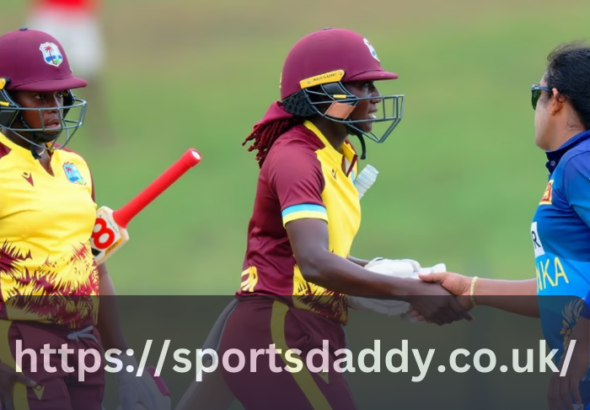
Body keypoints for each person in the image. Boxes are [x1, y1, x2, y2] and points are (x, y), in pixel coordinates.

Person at [208, 27, 472, 410]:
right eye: (364, 87)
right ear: (324, 93)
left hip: (304, 332)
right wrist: (407, 291)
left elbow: (318, 256)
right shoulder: (297, 158)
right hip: (279, 332)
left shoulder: (336, 154)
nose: (376, 99)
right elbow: (313, 262)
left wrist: (396, 276)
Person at [0, 28, 168, 410]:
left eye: (59, 95)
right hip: (20, 340)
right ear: (4, 99)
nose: (54, 108)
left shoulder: (75, 166)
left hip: (83, 342)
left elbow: (95, 266)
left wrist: (122, 357)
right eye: (39, 96)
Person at [417, 40, 590, 410]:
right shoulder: (571, 165)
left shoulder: (580, 162)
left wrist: (579, 349)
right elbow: (563, 287)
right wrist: (474, 288)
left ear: (556, 99)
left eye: (537, 95)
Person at [25, 0, 116, 147]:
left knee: (91, 73)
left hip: (79, 12)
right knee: (36, 71)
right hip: (49, 11)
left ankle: (100, 129)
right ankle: (29, 129)